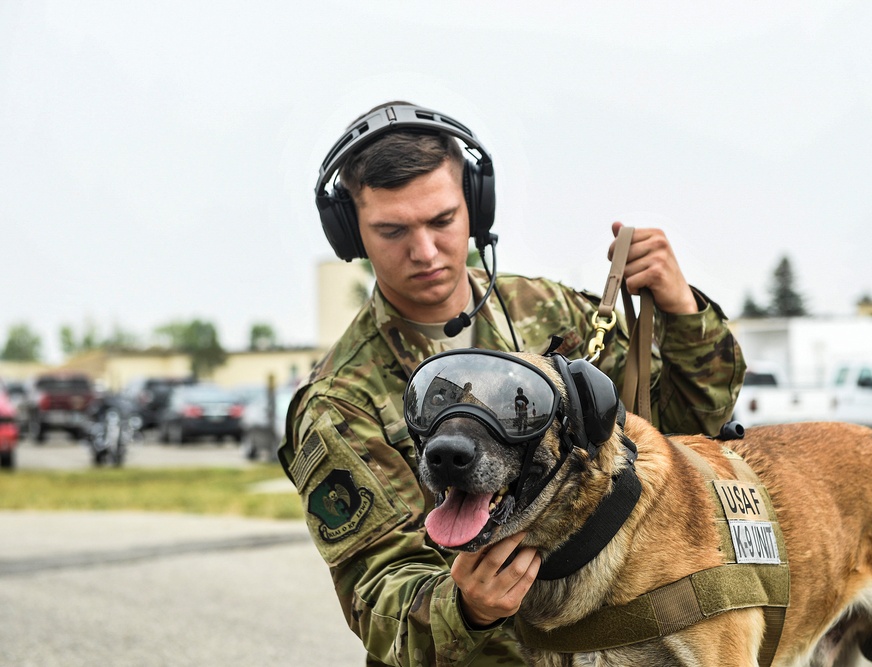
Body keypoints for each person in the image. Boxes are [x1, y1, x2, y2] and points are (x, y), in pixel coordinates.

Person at [279, 101, 747, 666]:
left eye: (442, 221)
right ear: (350, 232)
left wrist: (682, 311)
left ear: (475, 206)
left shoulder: (552, 315)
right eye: (392, 230)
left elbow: (682, 430)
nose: (424, 251)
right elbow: (378, 599)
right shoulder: (339, 402)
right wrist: (465, 607)